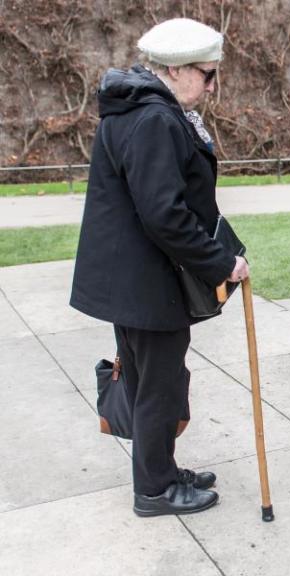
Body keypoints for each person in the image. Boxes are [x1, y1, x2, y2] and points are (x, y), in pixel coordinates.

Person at [71, 18, 248, 517]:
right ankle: (153, 490)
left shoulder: (138, 109)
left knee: (153, 380)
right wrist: (221, 263)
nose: (211, 85)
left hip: (134, 279)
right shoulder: (154, 119)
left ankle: (162, 471)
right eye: (207, 74)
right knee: (160, 385)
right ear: (174, 69)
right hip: (147, 283)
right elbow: (165, 214)